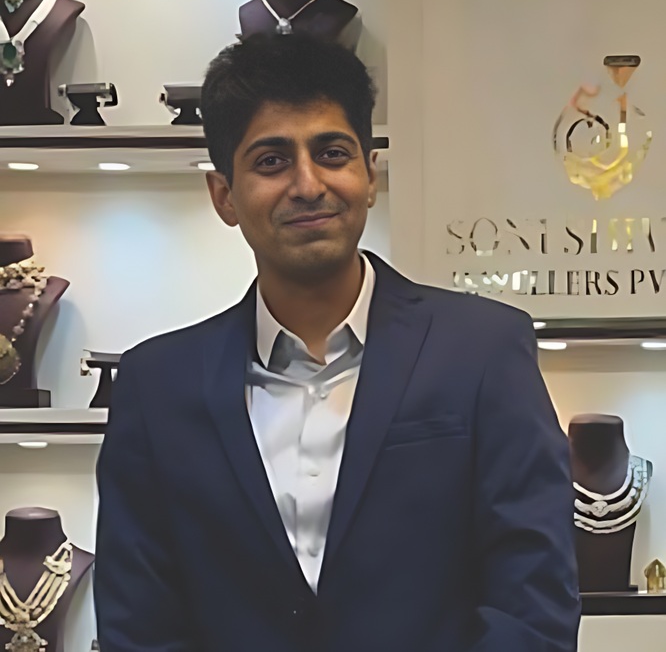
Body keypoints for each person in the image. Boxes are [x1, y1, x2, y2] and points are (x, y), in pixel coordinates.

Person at [94, 33, 580, 652]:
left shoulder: (482, 350)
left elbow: (534, 605)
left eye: (331, 153)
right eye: (271, 161)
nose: (307, 184)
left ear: (369, 174)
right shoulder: (157, 385)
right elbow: (138, 624)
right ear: (224, 196)